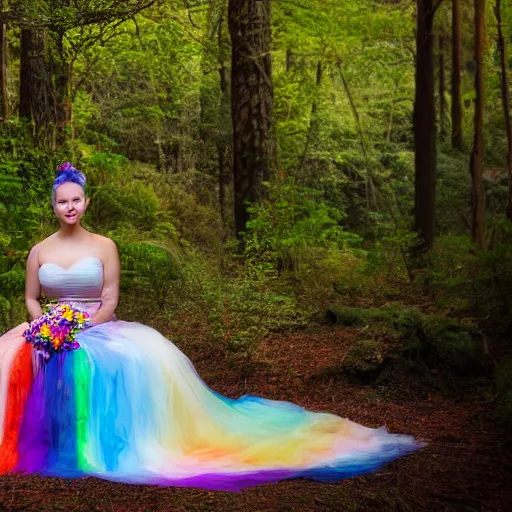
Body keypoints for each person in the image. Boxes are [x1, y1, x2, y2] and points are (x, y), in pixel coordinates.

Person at [0, 164, 423, 490]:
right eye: (62, 202)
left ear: (86, 202)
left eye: (76, 200)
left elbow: (110, 299)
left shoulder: (104, 246)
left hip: (96, 324)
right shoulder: (39, 251)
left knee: (121, 360)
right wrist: (45, 325)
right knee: (17, 356)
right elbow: (32, 297)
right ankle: (47, 439)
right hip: (50, 324)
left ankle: (101, 444)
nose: (70, 207)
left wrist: (84, 327)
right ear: (53, 206)